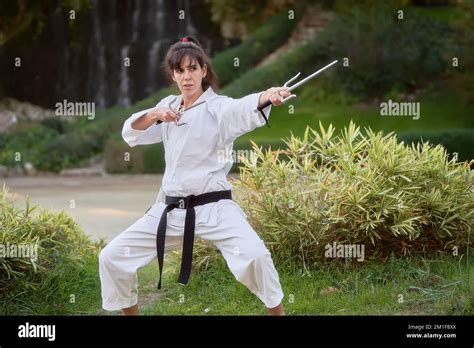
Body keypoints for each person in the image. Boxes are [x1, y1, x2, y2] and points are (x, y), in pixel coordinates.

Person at [99, 36, 292, 316]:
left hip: (215, 208)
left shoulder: (218, 107)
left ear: (204, 70)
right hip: (169, 209)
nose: (186, 77)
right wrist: (156, 113)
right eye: (180, 71)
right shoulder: (169, 107)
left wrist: (267, 95)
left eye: (192, 69)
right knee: (112, 257)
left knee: (256, 256)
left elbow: (242, 107)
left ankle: (278, 314)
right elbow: (132, 132)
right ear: (173, 75)